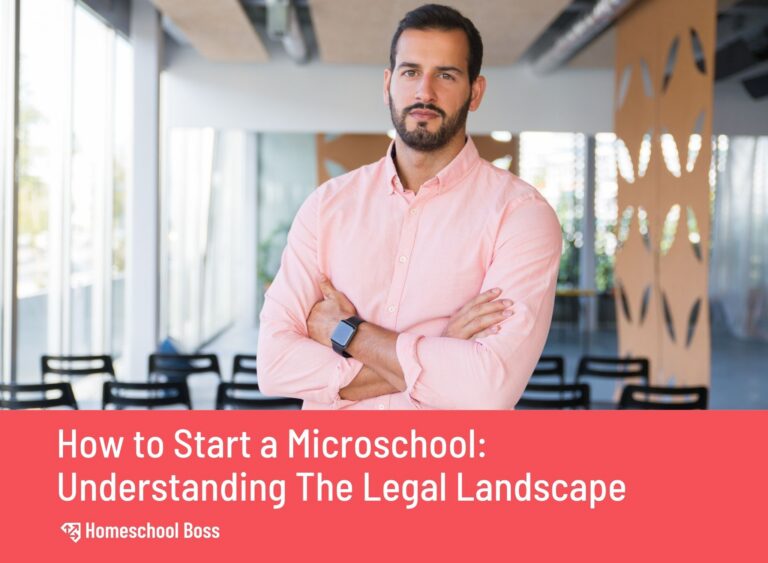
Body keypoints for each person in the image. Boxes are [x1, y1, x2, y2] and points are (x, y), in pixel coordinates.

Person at [257, 4, 562, 409]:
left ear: (476, 92)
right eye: (410, 72)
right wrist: (443, 347)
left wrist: (348, 334)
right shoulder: (327, 206)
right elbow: (275, 365)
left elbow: (486, 390)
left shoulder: (521, 214)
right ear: (388, 84)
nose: (425, 92)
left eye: (447, 75)